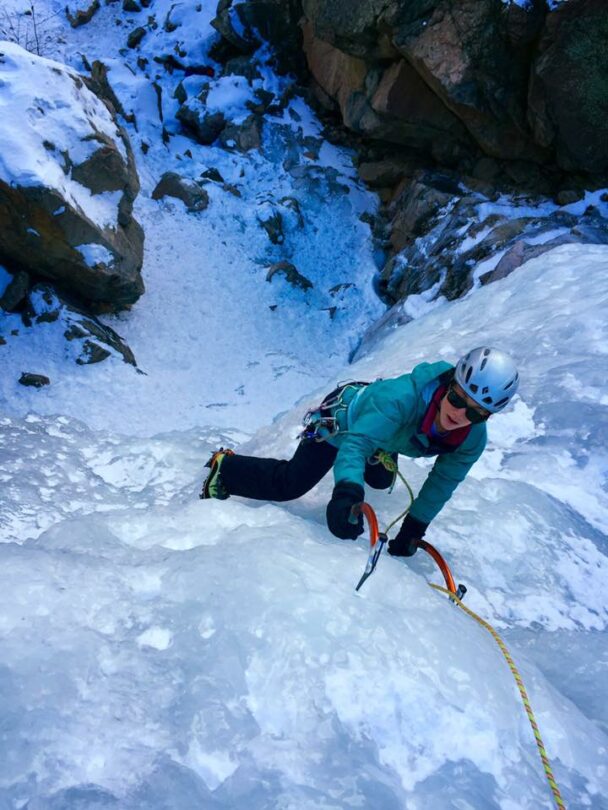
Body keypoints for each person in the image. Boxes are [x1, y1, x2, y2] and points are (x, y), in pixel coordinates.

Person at [200, 347, 519, 557]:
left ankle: (381, 448)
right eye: (458, 400)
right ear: (449, 384)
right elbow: (354, 445)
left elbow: (443, 481)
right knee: (290, 484)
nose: (461, 414)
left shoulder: (471, 438)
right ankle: (226, 468)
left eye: (475, 413)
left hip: (382, 433)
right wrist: (347, 493)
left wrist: (414, 528)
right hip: (342, 421)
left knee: (381, 480)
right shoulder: (399, 399)